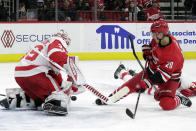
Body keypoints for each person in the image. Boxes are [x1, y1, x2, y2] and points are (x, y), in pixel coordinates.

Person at [96, 20, 192, 111]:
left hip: (170, 78)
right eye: (152, 34)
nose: (153, 37)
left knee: (165, 103)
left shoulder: (173, 54)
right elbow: (153, 55)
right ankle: (110, 98)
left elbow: (161, 77)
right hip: (153, 70)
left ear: (162, 34)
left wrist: (147, 82)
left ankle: (178, 98)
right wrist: (147, 53)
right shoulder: (158, 40)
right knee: (132, 84)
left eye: (155, 34)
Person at [0, 30, 86, 115]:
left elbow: (54, 74)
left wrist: (68, 83)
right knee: (61, 96)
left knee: (43, 94)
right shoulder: (57, 40)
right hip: (36, 73)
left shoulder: (42, 44)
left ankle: (19, 98)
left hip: (19, 74)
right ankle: (54, 102)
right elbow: (55, 54)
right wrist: (69, 70)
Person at [113, 64, 196, 97]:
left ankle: (133, 74)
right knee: (137, 87)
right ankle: (122, 72)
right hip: (162, 84)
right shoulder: (188, 84)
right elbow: (181, 93)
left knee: (144, 82)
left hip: (164, 80)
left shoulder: (189, 83)